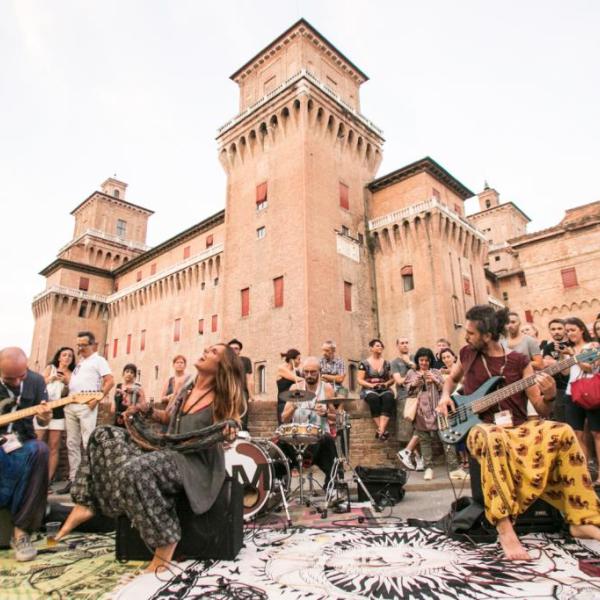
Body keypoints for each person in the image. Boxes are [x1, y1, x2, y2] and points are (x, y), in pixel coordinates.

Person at [56, 344, 243, 574]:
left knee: (135, 470)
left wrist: (226, 433)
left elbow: (228, 428)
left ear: (222, 366)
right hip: (168, 452)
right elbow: (167, 418)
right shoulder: (186, 389)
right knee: (102, 435)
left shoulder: (221, 399)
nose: (205, 350)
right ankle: (86, 504)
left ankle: (166, 540)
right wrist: (143, 410)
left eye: (214, 352)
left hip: (194, 466)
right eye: (208, 348)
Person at [438, 305, 600, 561]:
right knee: (493, 437)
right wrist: (445, 397)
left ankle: (582, 517)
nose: (466, 337)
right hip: (481, 429)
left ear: (488, 335)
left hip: (518, 426)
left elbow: (541, 408)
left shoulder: (519, 361)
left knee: (563, 431)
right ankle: (505, 528)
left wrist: (548, 394)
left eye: (471, 333)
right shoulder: (467, 353)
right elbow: (451, 379)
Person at [0, 347, 51, 561]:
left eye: (22, 375)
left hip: (23, 442)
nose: (19, 381)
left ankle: (21, 532)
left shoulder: (37, 381)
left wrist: (45, 416)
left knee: (40, 450)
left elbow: (43, 422)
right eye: (11, 378)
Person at [59, 331, 114, 494]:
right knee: (72, 443)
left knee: (88, 441)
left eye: (83, 345)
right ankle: (74, 478)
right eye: (79, 345)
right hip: (71, 403)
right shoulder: (80, 363)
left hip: (86, 404)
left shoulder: (99, 360)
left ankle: (91, 480)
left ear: (92, 345)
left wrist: (97, 399)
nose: (80, 348)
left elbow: (110, 380)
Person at [404, 347, 467, 481]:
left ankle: (454, 469)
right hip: (421, 412)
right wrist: (417, 381)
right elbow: (408, 390)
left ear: (430, 361)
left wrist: (435, 380)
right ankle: (428, 468)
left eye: (427, 360)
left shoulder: (436, 372)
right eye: (421, 360)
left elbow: (447, 388)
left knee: (447, 438)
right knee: (425, 441)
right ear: (418, 360)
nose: (424, 363)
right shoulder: (411, 373)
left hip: (439, 410)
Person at [280, 357, 337, 485]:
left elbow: (335, 417)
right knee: (280, 442)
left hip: (320, 439)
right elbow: (284, 418)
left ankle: (332, 486)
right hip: (298, 438)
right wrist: (293, 407)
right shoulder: (295, 387)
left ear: (319, 372)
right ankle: (279, 486)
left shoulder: (327, 388)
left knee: (328, 441)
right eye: (306, 372)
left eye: (313, 372)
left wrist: (326, 413)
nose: (309, 375)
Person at [561, 316, 600, 476]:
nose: (570, 333)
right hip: (572, 394)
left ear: (581, 329)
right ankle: (586, 475)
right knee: (576, 434)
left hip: (591, 393)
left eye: (572, 330)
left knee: (597, 433)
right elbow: (565, 373)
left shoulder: (593, 345)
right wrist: (563, 358)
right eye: (567, 331)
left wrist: (574, 356)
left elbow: (590, 368)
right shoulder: (568, 349)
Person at [36, 347, 75, 483]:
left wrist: (66, 381)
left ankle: (47, 481)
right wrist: (52, 378)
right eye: (64, 355)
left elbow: (74, 391)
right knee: (38, 443)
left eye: (70, 356)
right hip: (44, 406)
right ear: (59, 357)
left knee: (54, 446)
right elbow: (39, 383)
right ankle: (33, 477)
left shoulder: (72, 374)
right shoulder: (50, 368)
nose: (67, 358)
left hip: (59, 409)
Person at [393, 338, 424, 471]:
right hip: (404, 397)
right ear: (397, 346)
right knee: (408, 428)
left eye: (407, 342)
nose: (405, 345)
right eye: (402, 343)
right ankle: (416, 457)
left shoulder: (415, 358)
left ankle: (413, 455)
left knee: (420, 426)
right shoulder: (394, 362)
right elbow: (399, 381)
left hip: (419, 396)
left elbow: (422, 371)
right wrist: (412, 371)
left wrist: (413, 365)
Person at [357, 339, 394, 441]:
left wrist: (386, 383)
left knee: (389, 397)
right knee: (373, 399)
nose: (380, 347)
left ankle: (380, 430)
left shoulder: (387, 363)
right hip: (369, 389)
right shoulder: (364, 363)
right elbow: (359, 379)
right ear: (371, 348)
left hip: (384, 388)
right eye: (377, 345)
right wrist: (371, 385)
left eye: (381, 346)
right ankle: (383, 430)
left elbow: (392, 379)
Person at [540, 318, 571, 423]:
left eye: (559, 328)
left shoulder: (572, 344)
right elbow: (548, 366)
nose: (556, 331)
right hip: (558, 389)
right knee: (561, 422)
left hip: (574, 386)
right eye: (553, 329)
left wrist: (555, 363)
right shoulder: (548, 347)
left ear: (565, 329)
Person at [228, 339, 254, 431]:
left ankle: (242, 435)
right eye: (231, 348)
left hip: (242, 391)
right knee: (228, 417)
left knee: (243, 416)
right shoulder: (224, 362)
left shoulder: (246, 360)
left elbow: (249, 379)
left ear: (239, 350)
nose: (234, 350)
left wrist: (251, 395)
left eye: (236, 348)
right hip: (228, 392)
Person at [276, 349, 303, 424]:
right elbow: (296, 379)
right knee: (284, 427)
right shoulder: (281, 369)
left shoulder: (297, 371)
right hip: (283, 402)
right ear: (292, 360)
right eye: (298, 359)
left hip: (294, 402)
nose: (300, 361)